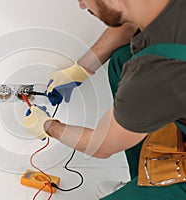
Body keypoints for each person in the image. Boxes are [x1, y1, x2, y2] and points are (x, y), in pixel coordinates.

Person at [23, 0, 186, 199]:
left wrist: (48, 126)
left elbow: (101, 145)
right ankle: (141, 178)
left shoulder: (156, 71)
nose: (82, 5)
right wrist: (81, 69)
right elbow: (132, 22)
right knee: (122, 59)